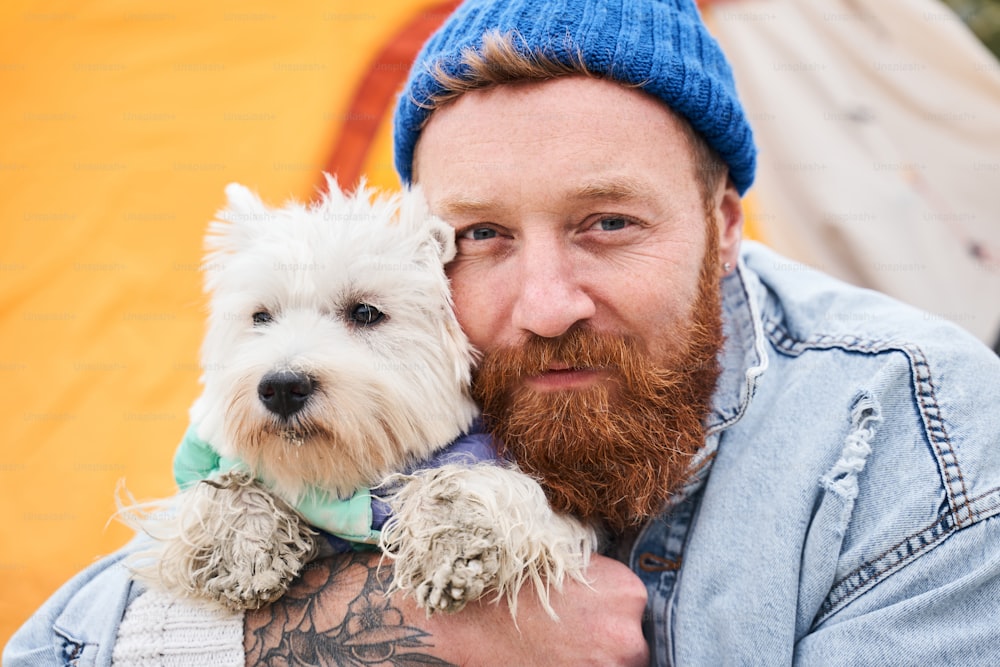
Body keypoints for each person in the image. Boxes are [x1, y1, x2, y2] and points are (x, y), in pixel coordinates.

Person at [7, 0, 1000, 664]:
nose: (544, 303)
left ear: (726, 224)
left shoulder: (921, 430)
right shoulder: (402, 371)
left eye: (608, 223)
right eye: (481, 235)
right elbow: (60, 645)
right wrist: (418, 625)